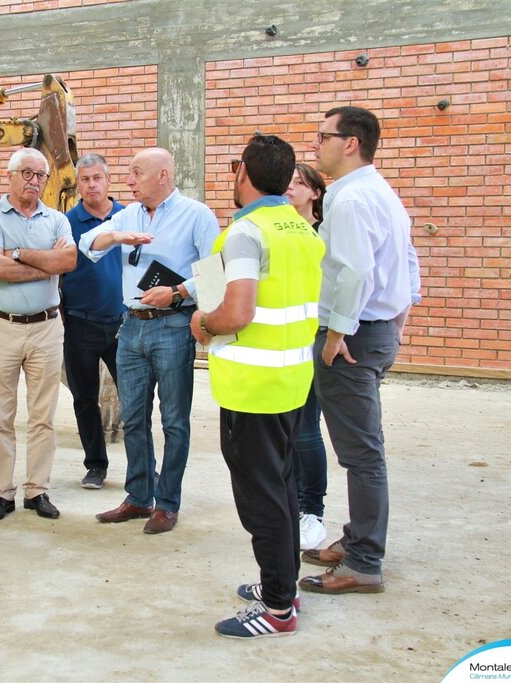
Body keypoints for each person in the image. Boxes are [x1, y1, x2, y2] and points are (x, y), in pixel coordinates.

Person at [191, 135, 324, 639]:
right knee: (283, 487)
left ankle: (276, 610)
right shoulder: (302, 230)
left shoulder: (246, 233)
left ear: (243, 172)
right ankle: (283, 585)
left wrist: (203, 324)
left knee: (261, 497)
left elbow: (235, 311)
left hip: (251, 386)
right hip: (291, 379)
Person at [299, 106, 421, 595]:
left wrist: (335, 336)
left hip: (351, 338)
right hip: (375, 330)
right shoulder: (379, 191)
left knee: (362, 454)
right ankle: (356, 540)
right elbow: (406, 261)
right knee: (362, 448)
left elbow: (353, 273)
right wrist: (398, 320)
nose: (316, 145)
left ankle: (364, 562)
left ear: (350, 143)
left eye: (323, 136)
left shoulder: (350, 200)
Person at [80, 147, 220, 534]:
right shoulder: (128, 214)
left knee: (174, 420)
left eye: (136, 173)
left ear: (162, 175)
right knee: (134, 418)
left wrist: (176, 292)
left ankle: (167, 502)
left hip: (173, 327)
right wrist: (115, 235)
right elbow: (85, 244)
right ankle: (139, 496)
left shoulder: (197, 215)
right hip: (132, 327)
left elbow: (213, 276)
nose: (128, 181)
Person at [0, 148, 77, 523]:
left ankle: (38, 490)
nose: (34, 181)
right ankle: (1, 493)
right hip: (2, 326)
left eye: (41, 175)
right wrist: (43, 262)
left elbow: (68, 261)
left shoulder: (57, 220)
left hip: (47, 327)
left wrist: (17, 254)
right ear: (11, 175)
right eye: (27, 173)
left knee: (43, 414)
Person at [61, 153, 126, 490]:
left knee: (135, 398)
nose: (91, 185)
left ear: (108, 180)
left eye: (97, 178)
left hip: (123, 323)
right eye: (84, 180)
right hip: (80, 323)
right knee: (84, 398)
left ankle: (142, 468)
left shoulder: (129, 217)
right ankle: (96, 465)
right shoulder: (67, 223)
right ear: (78, 185)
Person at [284, 163, 330, 551]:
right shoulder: (280, 230)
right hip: (284, 340)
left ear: (315, 192)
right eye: (289, 182)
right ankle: (294, 502)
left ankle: (311, 509)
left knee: (306, 426)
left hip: (313, 336)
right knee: (290, 426)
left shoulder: (321, 234)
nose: (291, 188)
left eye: (300, 183)